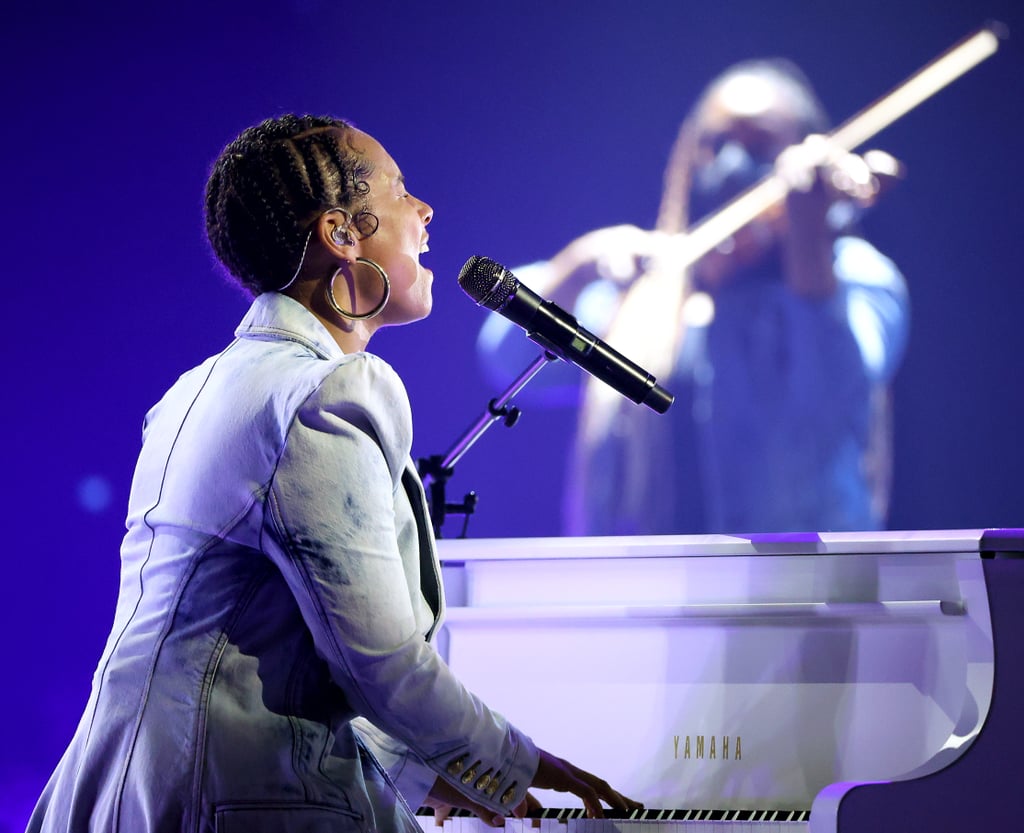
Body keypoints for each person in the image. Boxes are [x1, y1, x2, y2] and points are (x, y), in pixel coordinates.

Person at [27, 115, 641, 832]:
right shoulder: (330, 391)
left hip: (112, 792)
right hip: (233, 802)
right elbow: (381, 662)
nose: (424, 210)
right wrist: (517, 761)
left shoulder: (193, 390)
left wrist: (423, 770)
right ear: (341, 234)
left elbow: (277, 643)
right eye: (400, 190)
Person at [478, 60, 910, 536]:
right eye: (715, 143)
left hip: (792, 594)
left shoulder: (855, 274)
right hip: (641, 594)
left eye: (759, 144)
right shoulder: (646, 293)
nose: (731, 164)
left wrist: (807, 234)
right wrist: (580, 265)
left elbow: (835, 394)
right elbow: (507, 354)